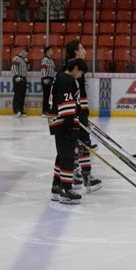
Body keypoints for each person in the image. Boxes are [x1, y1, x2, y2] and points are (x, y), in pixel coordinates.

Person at [48, 58, 88, 204]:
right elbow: (67, 107)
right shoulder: (67, 80)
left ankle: (56, 187)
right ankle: (65, 190)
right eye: (81, 73)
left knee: (61, 155)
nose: (80, 76)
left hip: (57, 123)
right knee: (69, 156)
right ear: (76, 68)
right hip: (64, 123)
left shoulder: (59, 76)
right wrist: (72, 128)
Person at [66, 39, 102, 193]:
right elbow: (74, 94)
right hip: (78, 112)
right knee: (83, 144)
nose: (85, 50)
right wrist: (80, 112)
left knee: (79, 144)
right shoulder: (74, 67)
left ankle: (78, 176)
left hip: (80, 111)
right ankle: (85, 178)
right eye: (81, 48)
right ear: (75, 51)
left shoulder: (74, 66)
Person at [11, 46, 29, 117]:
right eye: (26, 54)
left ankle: (21, 110)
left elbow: (27, 69)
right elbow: (14, 68)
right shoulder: (16, 58)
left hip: (23, 78)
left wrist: (27, 63)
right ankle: (16, 111)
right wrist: (16, 77)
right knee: (17, 95)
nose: (26, 55)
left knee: (22, 95)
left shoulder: (24, 60)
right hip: (18, 78)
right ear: (23, 51)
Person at [41, 46, 55, 117]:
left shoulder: (51, 60)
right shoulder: (45, 60)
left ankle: (48, 110)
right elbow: (43, 69)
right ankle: (44, 111)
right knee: (46, 96)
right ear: (47, 52)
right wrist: (44, 78)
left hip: (51, 79)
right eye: (51, 50)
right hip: (46, 78)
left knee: (50, 96)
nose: (52, 51)